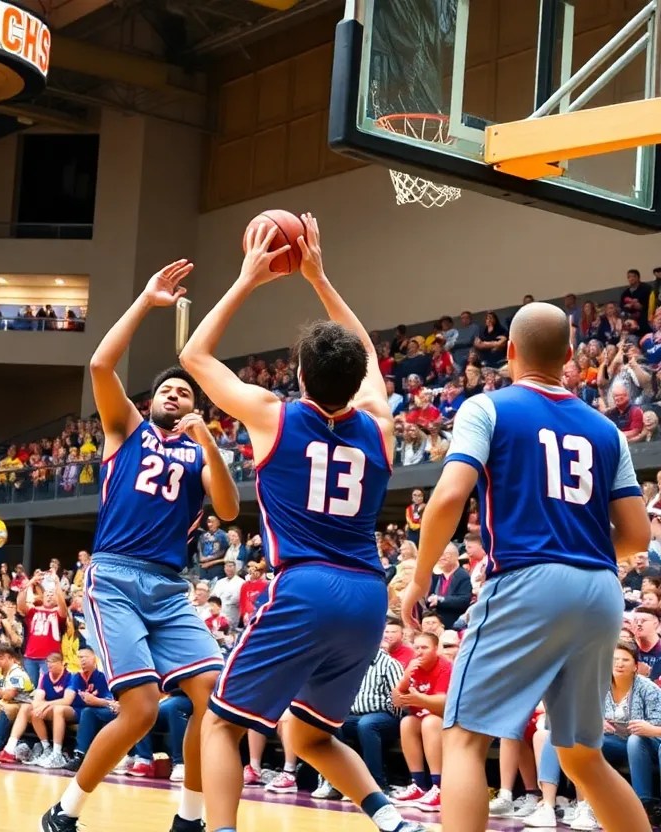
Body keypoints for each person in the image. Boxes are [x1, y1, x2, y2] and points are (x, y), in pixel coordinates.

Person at [180, 215, 423, 832]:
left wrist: (245, 280)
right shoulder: (379, 424)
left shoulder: (273, 416)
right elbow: (367, 355)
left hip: (306, 586)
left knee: (220, 722)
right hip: (369, 597)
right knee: (312, 735)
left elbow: (193, 355)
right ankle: (391, 818)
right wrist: (319, 277)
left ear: (300, 375)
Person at [404, 300, 653, 832]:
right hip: (600, 591)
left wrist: (421, 574)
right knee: (582, 755)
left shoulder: (486, 407)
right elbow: (637, 535)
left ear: (510, 352)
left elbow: (449, 496)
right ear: (568, 355)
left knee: (464, 738)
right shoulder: (607, 430)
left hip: (525, 579)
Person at [40, 260, 240, 832]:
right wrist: (147, 301)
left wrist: (210, 442)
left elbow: (226, 510)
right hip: (116, 577)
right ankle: (65, 811)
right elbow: (101, 362)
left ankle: (190, 818)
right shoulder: (125, 428)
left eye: (184, 392)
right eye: (168, 390)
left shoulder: (200, 450)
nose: (176, 395)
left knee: (213, 696)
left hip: (171, 587)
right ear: (151, 400)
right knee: (142, 706)